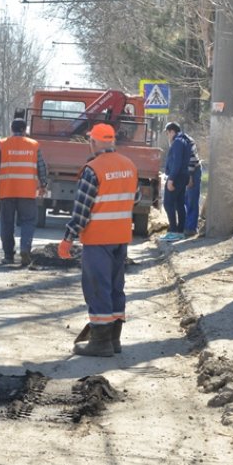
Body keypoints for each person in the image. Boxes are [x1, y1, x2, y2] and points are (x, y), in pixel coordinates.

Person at [57, 123, 139, 357]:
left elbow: (82, 210)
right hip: (120, 237)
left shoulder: (93, 169)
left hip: (98, 238)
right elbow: (135, 197)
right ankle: (114, 339)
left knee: (97, 288)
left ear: (93, 142)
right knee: (115, 287)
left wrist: (68, 238)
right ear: (112, 141)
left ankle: (100, 342)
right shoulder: (129, 166)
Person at [0, 117, 48, 266]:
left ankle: (8, 256)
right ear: (25, 130)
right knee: (28, 222)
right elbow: (41, 167)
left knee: (7, 224)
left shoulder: (3, 145)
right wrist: (43, 184)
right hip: (27, 192)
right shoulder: (34, 145)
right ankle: (25, 249)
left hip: (7, 192)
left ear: (12, 129)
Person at [160, 120, 193, 241]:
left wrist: (171, 179)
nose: (167, 136)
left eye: (167, 133)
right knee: (179, 204)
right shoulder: (185, 140)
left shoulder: (178, 142)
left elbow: (177, 162)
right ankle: (179, 231)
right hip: (182, 176)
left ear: (172, 131)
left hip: (177, 176)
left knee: (168, 203)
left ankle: (173, 230)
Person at [184, 136, 203, 237]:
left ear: (172, 131)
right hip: (188, 172)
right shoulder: (181, 141)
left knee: (191, 200)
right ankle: (186, 226)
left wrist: (190, 177)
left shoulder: (186, 142)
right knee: (185, 200)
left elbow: (192, 160)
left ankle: (191, 228)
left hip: (193, 172)